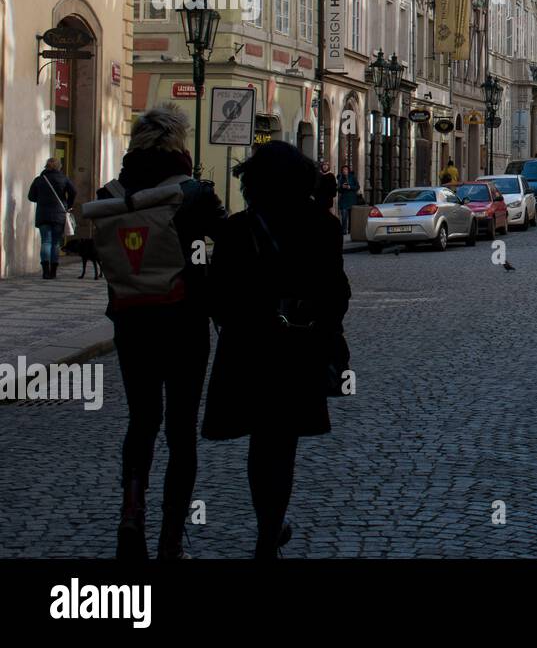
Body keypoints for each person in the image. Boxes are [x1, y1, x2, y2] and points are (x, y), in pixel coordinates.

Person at [84, 105, 226, 559]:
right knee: (180, 430)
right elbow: (225, 245)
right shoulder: (192, 193)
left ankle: (131, 512)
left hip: (130, 320)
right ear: (178, 144)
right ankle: (170, 536)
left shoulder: (111, 192)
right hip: (183, 322)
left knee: (141, 421)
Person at [202, 141, 350, 559]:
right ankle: (270, 529)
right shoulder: (321, 226)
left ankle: (267, 523)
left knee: (260, 443)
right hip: (298, 348)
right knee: (281, 445)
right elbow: (336, 292)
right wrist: (328, 334)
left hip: (248, 350)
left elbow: (217, 295)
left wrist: (235, 323)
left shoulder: (236, 228)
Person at [28, 157, 77, 279]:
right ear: (59, 166)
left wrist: (41, 200)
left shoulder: (39, 180)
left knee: (46, 241)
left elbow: (31, 197)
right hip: (59, 214)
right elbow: (74, 192)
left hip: (43, 214)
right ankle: (53, 271)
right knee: (55, 243)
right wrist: (68, 205)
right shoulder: (63, 178)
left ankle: (45, 271)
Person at [336, 164, 360, 236]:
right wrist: (342, 187)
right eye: (343, 170)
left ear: (348, 170)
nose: (345, 171)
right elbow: (338, 190)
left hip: (352, 199)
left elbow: (357, 187)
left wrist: (350, 187)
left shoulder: (352, 177)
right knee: (344, 216)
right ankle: (344, 231)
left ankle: (350, 230)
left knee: (351, 217)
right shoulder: (340, 178)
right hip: (344, 200)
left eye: (346, 170)